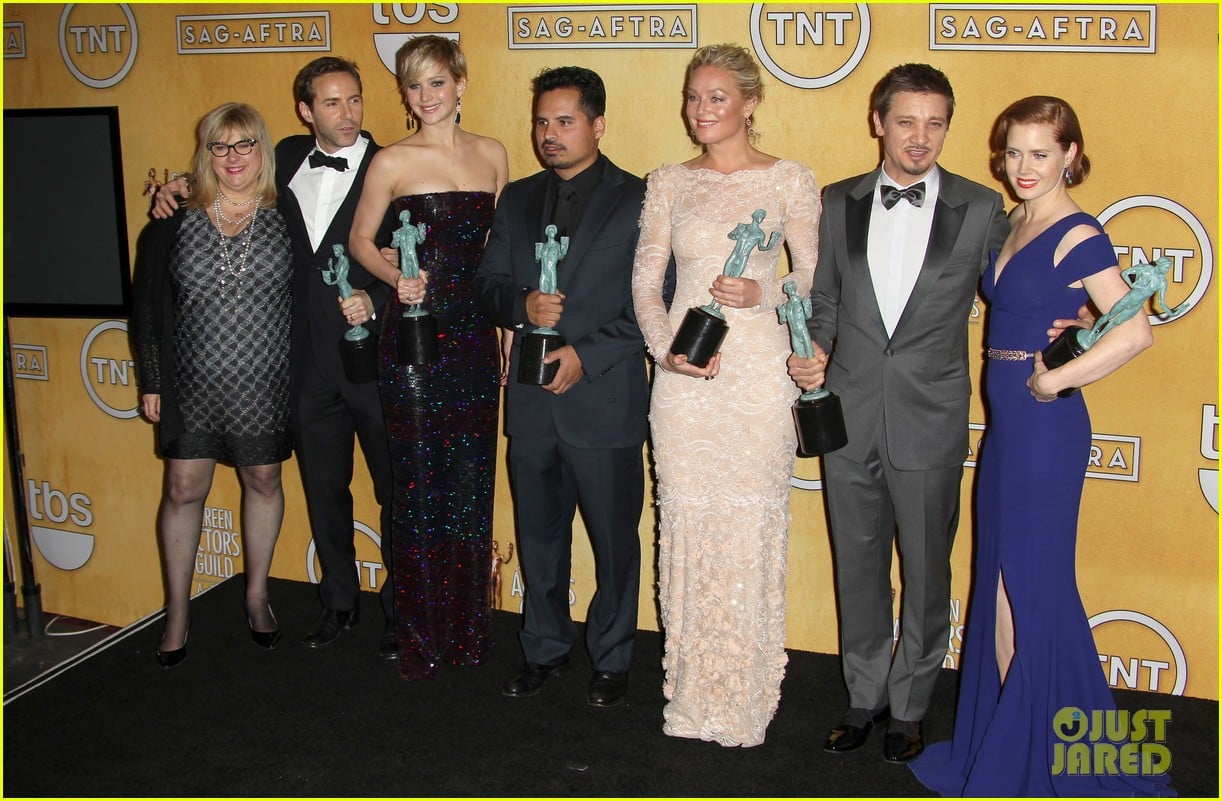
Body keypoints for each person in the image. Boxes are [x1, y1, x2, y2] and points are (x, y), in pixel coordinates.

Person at [911, 96, 1171, 796]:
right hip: (1006, 432)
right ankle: (1015, 742)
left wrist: (1058, 379)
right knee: (998, 584)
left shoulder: (1078, 231)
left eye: (1040, 154)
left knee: (1034, 587)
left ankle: (1047, 757)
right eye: (1014, 152)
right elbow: (1092, 313)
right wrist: (1081, 323)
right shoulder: (1021, 220)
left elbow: (1136, 331)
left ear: (1071, 157)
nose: (1023, 167)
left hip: (1045, 434)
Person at [786, 63, 1009, 762]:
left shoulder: (980, 208)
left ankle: (911, 702)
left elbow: (1015, 291)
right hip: (846, 411)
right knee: (856, 563)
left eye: (935, 123)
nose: (921, 137)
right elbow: (823, 298)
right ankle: (863, 694)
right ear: (878, 121)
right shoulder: (837, 200)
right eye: (906, 121)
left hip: (930, 415)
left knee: (926, 568)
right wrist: (813, 347)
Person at [153, 57, 399, 660]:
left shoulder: (394, 165)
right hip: (302, 369)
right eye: (332, 103)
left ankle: (404, 610)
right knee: (322, 490)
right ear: (305, 111)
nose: (347, 114)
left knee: (396, 491)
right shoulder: (282, 158)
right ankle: (339, 602)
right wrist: (174, 188)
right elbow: (222, 177)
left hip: (372, 363)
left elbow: (416, 251)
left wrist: (381, 294)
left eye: (354, 100)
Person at [630, 43, 821, 747]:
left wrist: (764, 290)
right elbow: (647, 284)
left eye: (715, 97)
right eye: (692, 97)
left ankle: (742, 697)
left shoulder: (792, 181)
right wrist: (666, 353)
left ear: (749, 103)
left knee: (749, 529)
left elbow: (813, 281)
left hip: (756, 380)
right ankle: (690, 695)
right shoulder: (669, 182)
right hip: (684, 383)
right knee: (686, 524)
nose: (700, 110)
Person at [473, 66, 649, 709]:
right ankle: (542, 650)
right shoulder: (515, 198)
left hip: (603, 400)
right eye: (542, 122)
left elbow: (657, 305)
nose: (550, 133)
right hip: (529, 403)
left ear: (597, 125)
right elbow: (487, 285)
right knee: (540, 538)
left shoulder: (642, 198)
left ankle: (612, 658)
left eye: (565, 121)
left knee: (613, 543)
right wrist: (521, 304)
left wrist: (588, 353)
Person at [348, 34, 509, 680]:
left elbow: (501, 251)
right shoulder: (391, 160)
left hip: (473, 335)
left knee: (471, 482)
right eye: (414, 86)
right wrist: (393, 278)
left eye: (437, 82)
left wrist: (505, 329)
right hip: (413, 337)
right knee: (417, 483)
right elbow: (362, 240)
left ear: (461, 83)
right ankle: (421, 634)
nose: (426, 97)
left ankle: (469, 631)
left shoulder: (494, 155)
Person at [133, 102, 293, 668]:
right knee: (181, 489)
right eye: (220, 147)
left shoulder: (286, 209)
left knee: (264, 480)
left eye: (244, 144)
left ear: (262, 150)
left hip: (265, 379)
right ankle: (177, 611)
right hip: (192, 381)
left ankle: (256, 596)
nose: (232, 158)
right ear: (205, 153)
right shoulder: (175, 216)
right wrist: (152, 379)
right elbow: (149, 305)